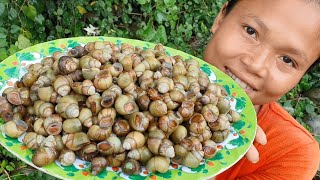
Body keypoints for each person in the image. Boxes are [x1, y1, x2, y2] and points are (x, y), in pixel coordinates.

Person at [204, 0, 320, 179]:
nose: (256, 65)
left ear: (301, 76)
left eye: (287, 60)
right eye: (251, 31)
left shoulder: (291, 151)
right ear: (220, 18)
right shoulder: (146, 71)